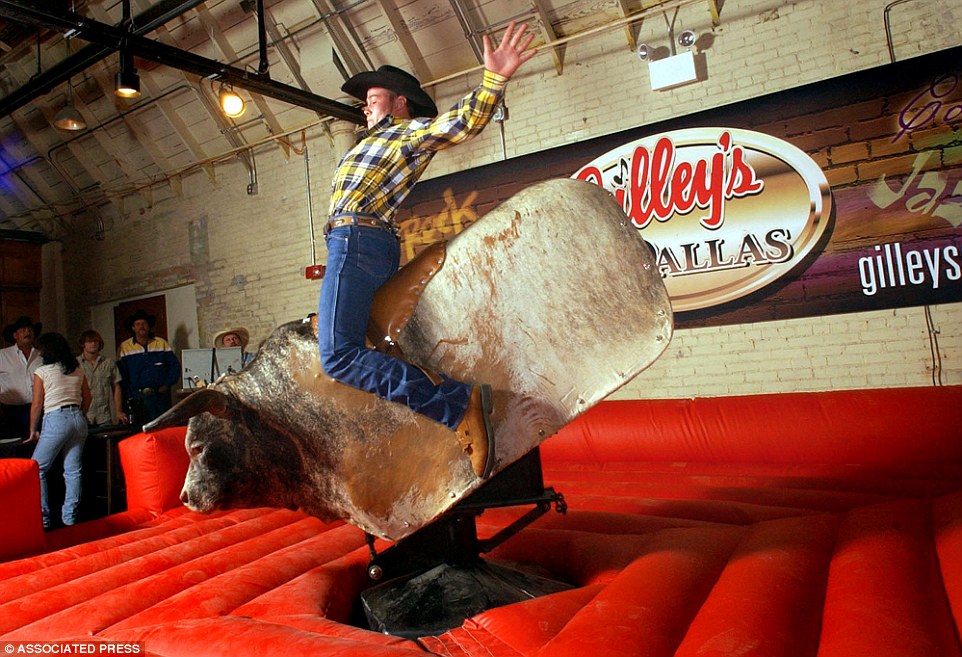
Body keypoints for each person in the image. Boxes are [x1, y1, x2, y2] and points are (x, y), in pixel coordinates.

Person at [317, 22, 536, 478]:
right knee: (379, 345)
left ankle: (457, 406)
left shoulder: (401, 132)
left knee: (337, 356)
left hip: (356, 239)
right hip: (363, 240)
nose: (364, 107)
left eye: (373, 98)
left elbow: (454, 126)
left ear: (399, 103)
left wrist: (493, 81)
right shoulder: (374, 141)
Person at [24, 332, 91, 529]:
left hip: (56, 418)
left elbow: (37, 404)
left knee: (37, 469)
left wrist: (32, 429)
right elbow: (88, 397)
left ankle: (44, 519)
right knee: (73, 470)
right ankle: (69, 517)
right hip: (78, 418)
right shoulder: (77, 369)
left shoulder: (42, 371)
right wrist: (80, 413)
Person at [117, 309, 181, 426]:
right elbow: (122, 375)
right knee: (140, 432)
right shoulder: (124, 347)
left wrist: (166, 385)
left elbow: (175, 367)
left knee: (163, 429)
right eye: (138, 324)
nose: (142, 326)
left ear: (149, 326)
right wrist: (128, 396)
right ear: (133, 328)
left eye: (144, 324)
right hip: (137, 398)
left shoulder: (161, 343)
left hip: (159, 397)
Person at [0, 316, 44, 455]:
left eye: (30, 329)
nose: (27, 332)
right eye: (23, 330)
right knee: (15, 448)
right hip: (9, 411)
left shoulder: (41, 355)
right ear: (15, 335)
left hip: (36, 408)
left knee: (37, 447)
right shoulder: (2, 355)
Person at [77, 329, 127, 428]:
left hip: (105, 414)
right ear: (83, 344)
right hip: (84, 415)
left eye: (96, 341)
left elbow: (117, 386)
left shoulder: (108, 363)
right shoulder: (76, 364)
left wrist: (118, 411)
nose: (93, 344)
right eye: (90, 341)